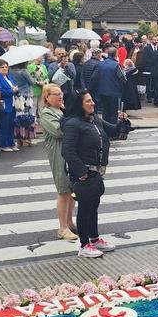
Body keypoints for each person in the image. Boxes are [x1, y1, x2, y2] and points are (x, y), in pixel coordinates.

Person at [62, 90, 118, 258]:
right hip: (84, 172)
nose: (92, 103)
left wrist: (122, 122)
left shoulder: (94, 120)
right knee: (85, 208)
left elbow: (113, 131)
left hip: (96, 171)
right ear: (80, 105)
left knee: (93, 207)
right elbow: (68, 151)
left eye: (92, 100)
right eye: (88, 101)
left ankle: (94, 238)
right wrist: (82, 172)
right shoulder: (73, 124)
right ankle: (84, 244)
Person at [39, 84, 77, 241]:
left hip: (71, 153)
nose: (60, 96)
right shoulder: (47, 113)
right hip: (58, 153)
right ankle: (62, 227)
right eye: (55, 94)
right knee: (63, 189)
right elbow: (59, 131)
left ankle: (69, 221)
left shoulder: (63, 110)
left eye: (60, 93)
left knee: (72, 190)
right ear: (47, 97)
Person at [0, 59, 19, 152]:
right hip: (4, 104)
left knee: (11, 124)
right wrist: (12, 90)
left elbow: (15, 86)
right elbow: (0, 91)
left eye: (6, 67)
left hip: (12, 103)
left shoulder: (9, 76)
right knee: (4, 125)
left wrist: (15, 89)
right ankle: (3, 144)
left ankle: (11, 143)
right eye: (2, 67)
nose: (5, 69)